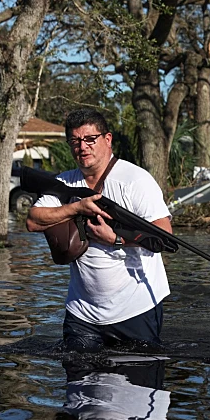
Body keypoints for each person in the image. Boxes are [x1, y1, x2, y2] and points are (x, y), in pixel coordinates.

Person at [26, 108, 172, 352]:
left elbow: (163, 233)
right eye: (75, 141)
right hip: (82, 313)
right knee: (78, 383)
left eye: (90, 139)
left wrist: (115, 239)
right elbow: (33, 221)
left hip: (136, 307)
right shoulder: (64, 183)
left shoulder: (136, 180)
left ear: (107, 139)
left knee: (140, 384)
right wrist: (77, 207)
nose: (82, 147)